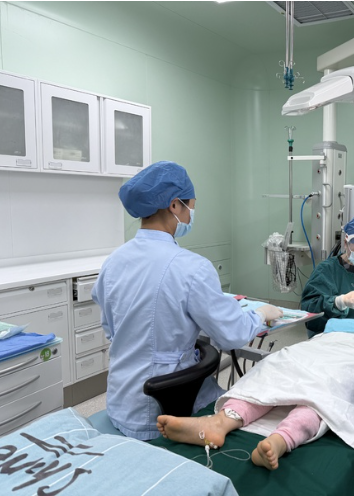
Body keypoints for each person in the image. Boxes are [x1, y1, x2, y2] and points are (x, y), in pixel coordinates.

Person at [92, 161, 283, 440]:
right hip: (167, 407)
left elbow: (111, 329)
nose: (192, 213)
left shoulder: (113, 261)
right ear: (174, 205)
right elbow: (231, 335)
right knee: (250, 412)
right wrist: (261, 314)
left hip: (121, 402)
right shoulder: (191, 267)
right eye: (191, 206)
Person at [157, 332, 354, 496]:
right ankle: (221, 424)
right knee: (274, 379)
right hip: (317, 348)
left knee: (322, 397)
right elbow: (316, 303)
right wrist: (338, 302)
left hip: (353, 357)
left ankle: (269, 436)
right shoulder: (329, 320)